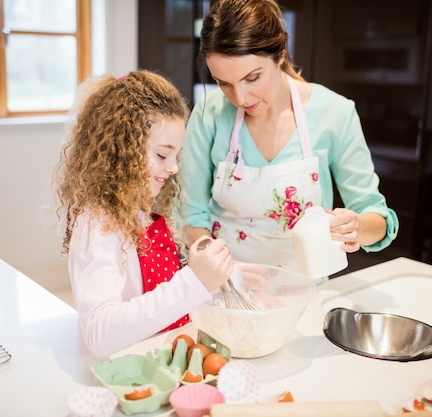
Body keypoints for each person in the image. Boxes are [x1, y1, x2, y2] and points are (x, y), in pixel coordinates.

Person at [180, 0, 399, 279]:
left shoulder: (335, 113)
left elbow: (377, 217)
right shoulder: (208, 114)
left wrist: (355, 226)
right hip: (226, 288)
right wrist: (226, 272)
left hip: (302, 291)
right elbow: (189, 215)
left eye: (253, 77)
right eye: (224, 83)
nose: (240, 98)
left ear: (281, 54)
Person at [55, 70, 233, 359]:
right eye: (163, 155)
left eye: (176, 155)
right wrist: (193, 282)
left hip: (158, 359)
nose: (173, 167)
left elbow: (161, 294)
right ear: (122, 149)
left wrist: (222, 274)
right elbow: (99, 333)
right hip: (129, 372)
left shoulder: (137, 210)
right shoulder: (98, 224)